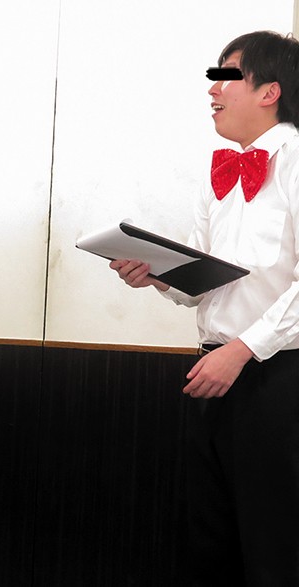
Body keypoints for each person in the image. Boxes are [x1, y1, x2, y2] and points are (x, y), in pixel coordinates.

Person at [110, 31, 299, 586]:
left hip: (279, 375)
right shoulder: (218, 172)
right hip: (214, 369)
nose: (212, 89)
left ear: (270, 91)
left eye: (227, 76)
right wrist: (157, 277)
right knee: (211, 543)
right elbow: (205, 282)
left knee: (274, 546)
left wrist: (241, 351)